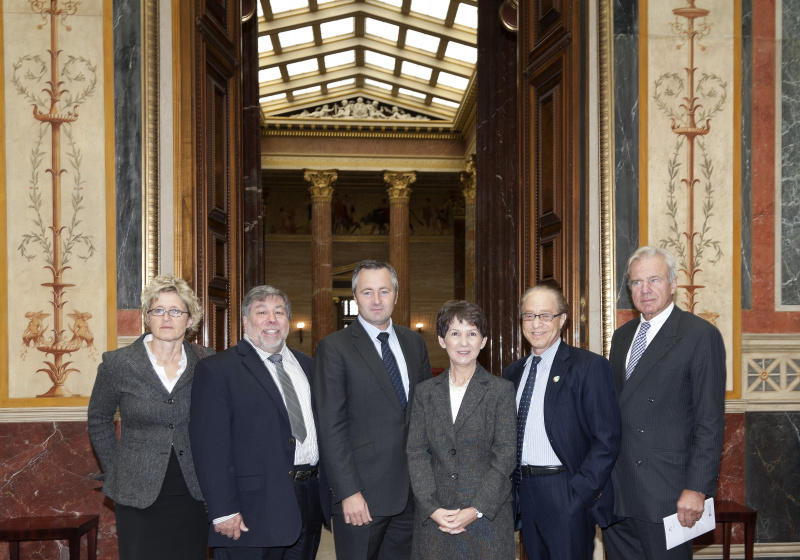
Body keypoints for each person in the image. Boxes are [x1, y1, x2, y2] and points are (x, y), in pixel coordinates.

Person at [189, 286, 330, 560]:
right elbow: (210, 448)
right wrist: (223, 509)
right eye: (261, 312)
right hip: (250, 510)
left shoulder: (309, 366)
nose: (271, 319)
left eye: (279, 312)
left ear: (288, 320)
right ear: (245, 320)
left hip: (308, 499)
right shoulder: (217, 370)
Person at [603, 246, 726, 560]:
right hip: (618, 493)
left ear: (673, 283)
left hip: (667, 494)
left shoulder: (699, 335)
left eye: (654, 280)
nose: (645, 289)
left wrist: (697, 489)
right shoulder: (622, 336)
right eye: (636, 282)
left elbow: (709, 422)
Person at [88, 274, 213, 560]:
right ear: (147, 317)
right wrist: (117, 468)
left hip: (193, 490)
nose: (166, 317)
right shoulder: (118, 364)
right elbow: (98, 419)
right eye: (157, 310)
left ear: (190, 319)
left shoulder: (208, 361)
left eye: (175, 311)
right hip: (136, 492)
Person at [314, 260, 432, 560]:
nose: (376, 300)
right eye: (367, 292)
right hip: (362, 496)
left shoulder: (414, 343)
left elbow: (426, 416)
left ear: (396, 294)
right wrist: (348, 493)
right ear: (355, 296)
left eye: (384, 291)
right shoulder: (334, 347)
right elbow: (331, 427)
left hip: (411, 495)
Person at [504, 284, 621, 560]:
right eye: (529, 316)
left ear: (563, 319)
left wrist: (579, 492)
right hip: (526, 493)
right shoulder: (513, 373)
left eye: (546, 315)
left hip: (566, 491)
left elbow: (608, 438)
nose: (536, 324)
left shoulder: (588, 366)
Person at [406, 300, 516, 559]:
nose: (464, 343)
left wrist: (475, 509)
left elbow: (505, 455)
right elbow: (416, 453)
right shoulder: (425, 393)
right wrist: (431, 507)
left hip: (486, 519)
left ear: (484, 341)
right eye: (455, 333)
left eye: (472, 333)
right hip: (436, 520)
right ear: (442, 340)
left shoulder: (500, 391)